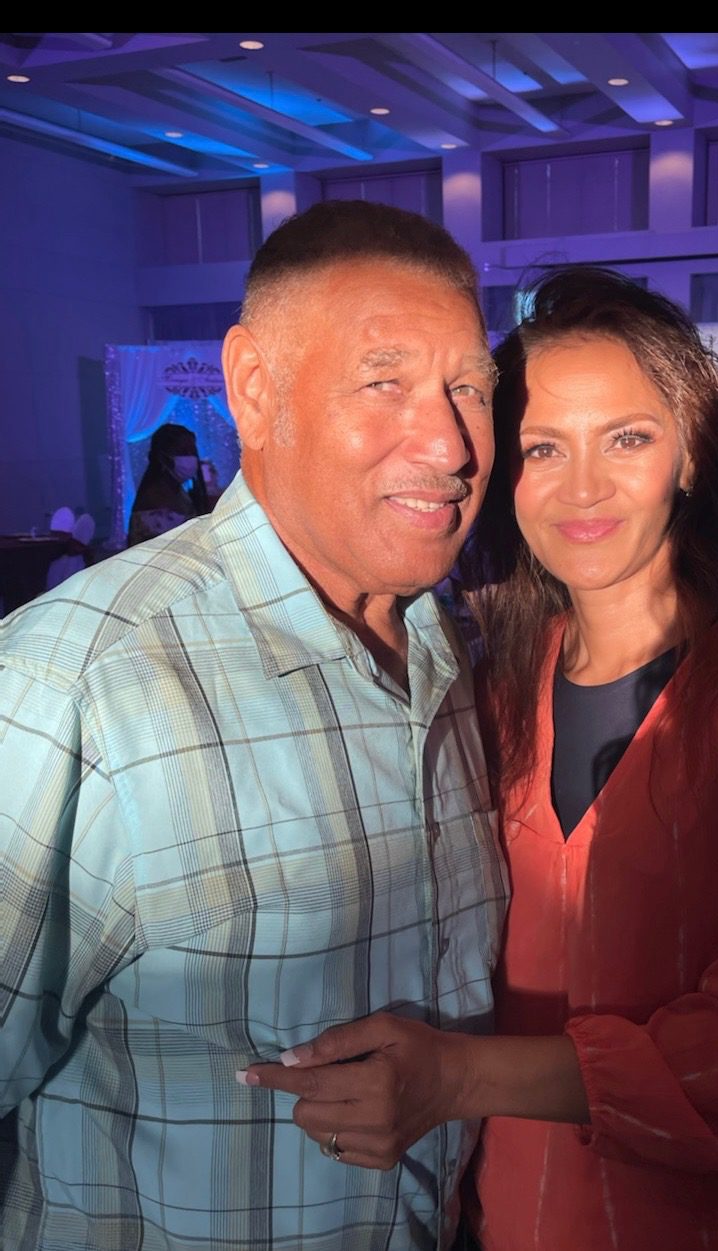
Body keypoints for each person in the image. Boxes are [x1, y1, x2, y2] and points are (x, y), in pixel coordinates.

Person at [246, 269, 718, 1250]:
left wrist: (456, 1076)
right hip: (526, 1206)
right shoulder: (499, 684)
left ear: (691, 453)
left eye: (627, 439)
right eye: (542, 447)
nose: (583, 487)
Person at [0, 200, 507, 1251]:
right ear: (254, 388)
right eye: (385, 382)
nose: (452, 444)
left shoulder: (448, 649)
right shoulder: (81, 683)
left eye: (470, 388)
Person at [126, 421, 211, 546]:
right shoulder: (155, 495)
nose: (190, 457)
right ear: (163, 457)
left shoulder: (177, 490)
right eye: (183, 452)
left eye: (193, 452)